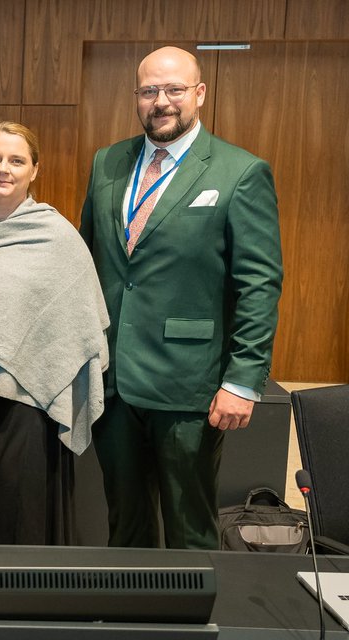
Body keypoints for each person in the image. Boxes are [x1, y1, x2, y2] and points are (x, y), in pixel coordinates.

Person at [79, 45, 283, 550]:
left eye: (173, 89)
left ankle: (201, 627)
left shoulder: (240, 172)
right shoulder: (109, 161)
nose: (161, 101)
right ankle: (129, 624)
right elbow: (90, 262)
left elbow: (258, 284)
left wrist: (242, 379)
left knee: (191, 527)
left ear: (199, 93)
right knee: (125, 522)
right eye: (149, 90)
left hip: (189, 384)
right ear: (136, 97)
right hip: (113, 379)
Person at [0, 122, 109, 545]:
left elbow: (79, 324)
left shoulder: (57, 237)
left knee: (15, 518)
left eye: (16, 160)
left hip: (26, 400)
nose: (3, 169)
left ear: (34, 170)